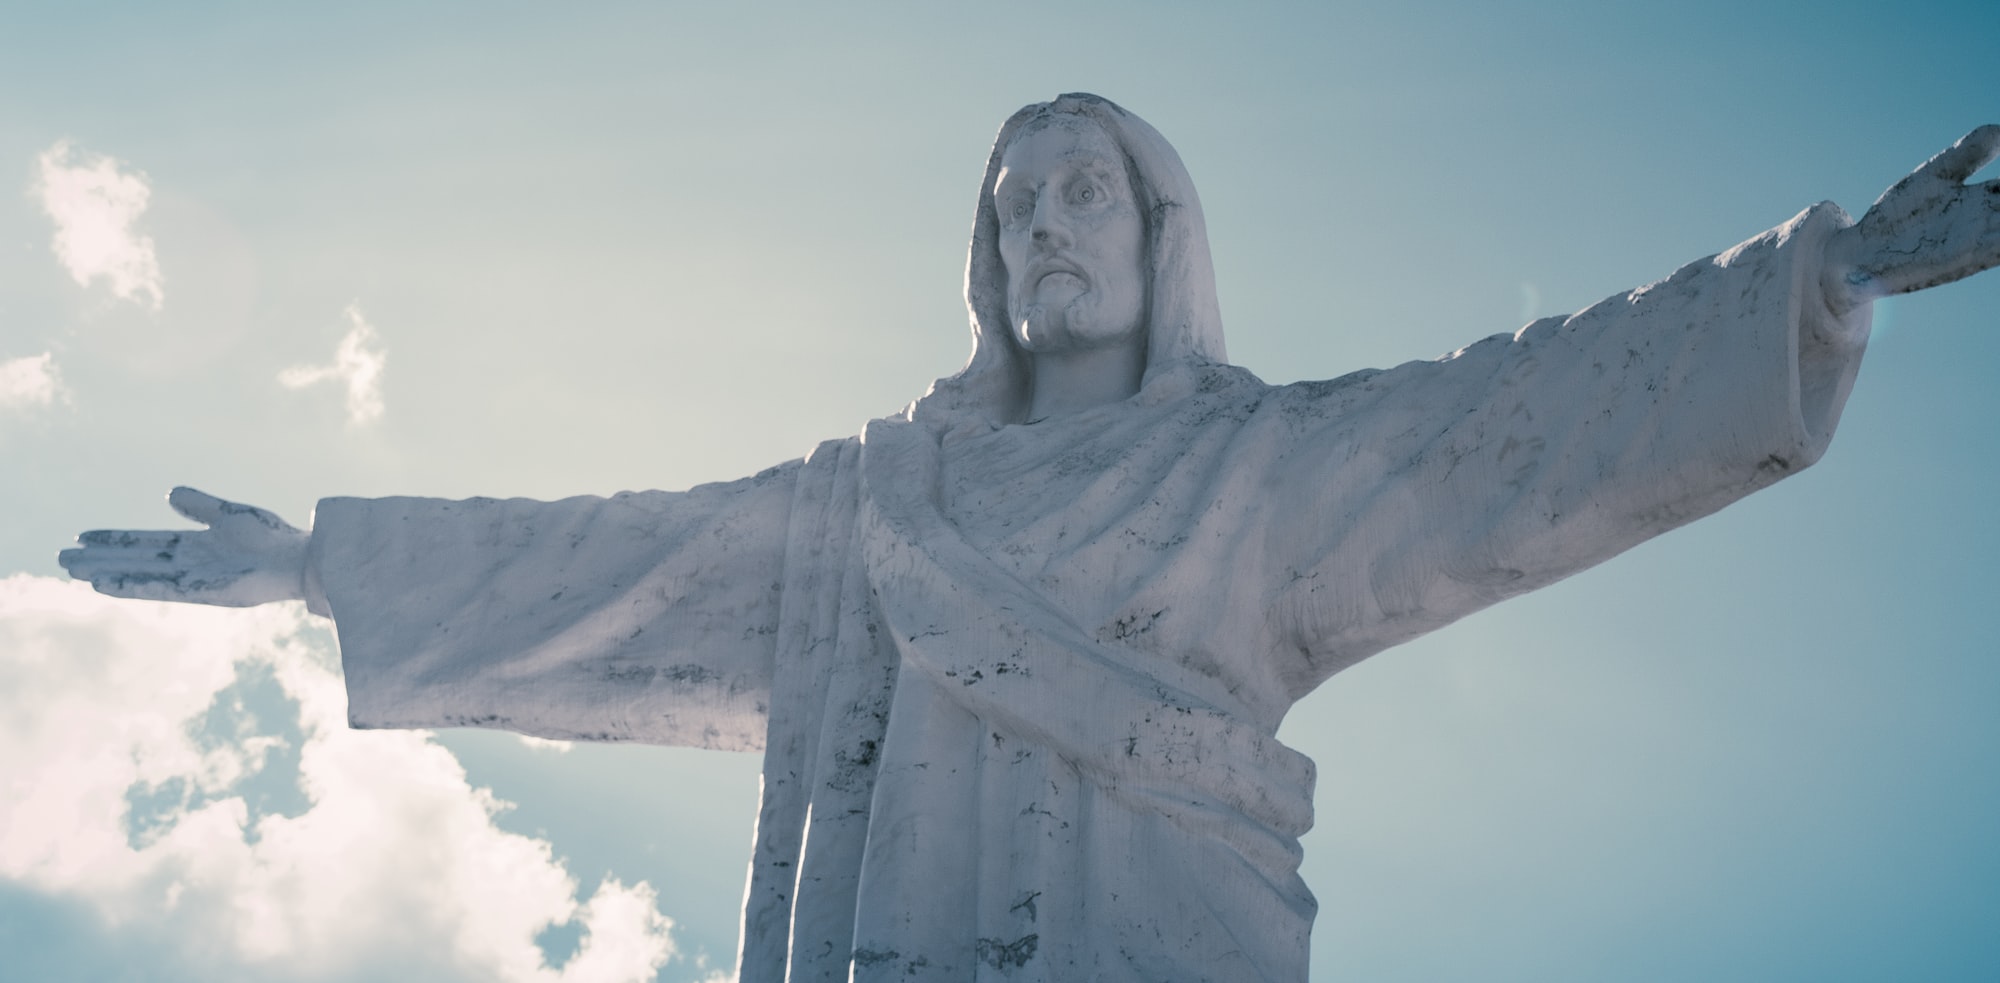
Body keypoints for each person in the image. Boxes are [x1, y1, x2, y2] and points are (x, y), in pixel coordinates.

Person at [59, 94, 2000, 982]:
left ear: (1164, 236)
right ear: (983, 258)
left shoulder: (1275, 467)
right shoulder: (863, 502)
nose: (1046, 225)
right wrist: (323, 560)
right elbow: (611, 558)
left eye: (1087, 191)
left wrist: (1819, 281)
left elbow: (1530, 420)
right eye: (1012, 206)